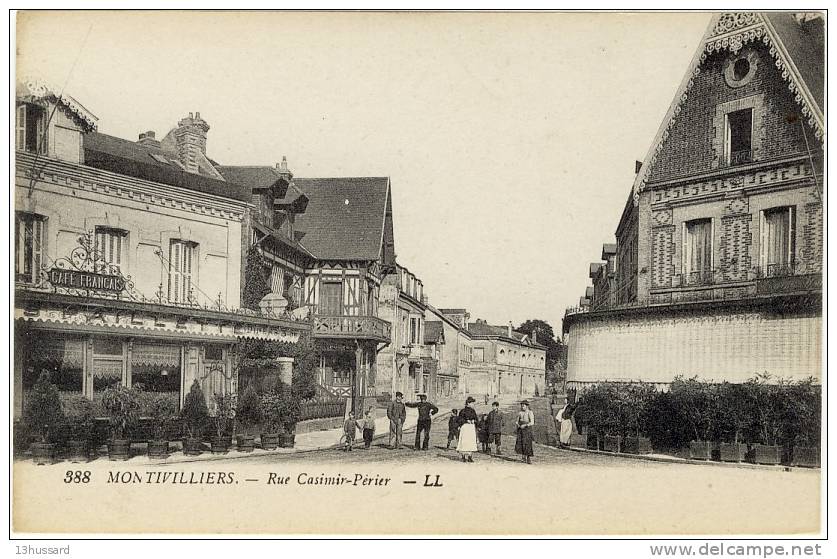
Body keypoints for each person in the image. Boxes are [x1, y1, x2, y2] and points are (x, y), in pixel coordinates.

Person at [456, 396, 479, 462]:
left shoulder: (473, 411)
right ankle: (463, 456)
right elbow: (459, 419)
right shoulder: (463, 411)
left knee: (471, 442)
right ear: (468, 403)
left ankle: (470, 456)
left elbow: (476, 419)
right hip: (465, 428)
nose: (473, 404)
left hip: (471, 428)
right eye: (472, 403)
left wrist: (474, 421)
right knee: (464, 441)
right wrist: (466, 421)